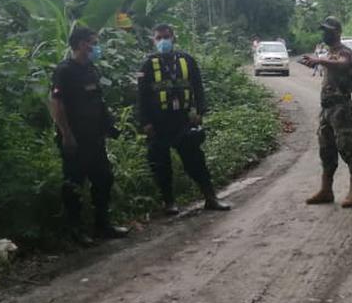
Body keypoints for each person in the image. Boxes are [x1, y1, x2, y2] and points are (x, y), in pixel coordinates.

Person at [137, 23, 230, 214]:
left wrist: (199, 111)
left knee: (196, 160)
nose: (164, 41)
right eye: (159, 38)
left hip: (183, 120)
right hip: (158, 123)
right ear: (154, 41)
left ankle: (210, 197)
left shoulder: (187, 60)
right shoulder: (147, 65)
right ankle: (169, 203)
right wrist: (145, 122)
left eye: (167, 37)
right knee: (161, 165)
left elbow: (198, 88)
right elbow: (140, 97)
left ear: (174, 38)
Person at [49, 27, 129, 245]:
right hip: (75, 138)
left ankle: (103, 224)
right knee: (74, 183)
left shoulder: (91, 69)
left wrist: (108, 125)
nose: (97, 46)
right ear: (83, 44)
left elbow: (97, 101)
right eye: (94, 42)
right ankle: (75, 230)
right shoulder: (64, 71)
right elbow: (56, 104)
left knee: (104, 179)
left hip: (94, 137)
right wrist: (66, 134)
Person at [299, 17, 352, 208]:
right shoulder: (330, 53)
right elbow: (330, 62)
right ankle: (326, 190)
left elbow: (343, 63)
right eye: (323, 30)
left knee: (348, 148)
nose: (324, 34)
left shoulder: (345, 52)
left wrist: (319, 60)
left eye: (327, 31)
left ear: (337, 32)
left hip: (341, 108)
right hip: (327, 109)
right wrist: (318, 61)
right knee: (326, 150)